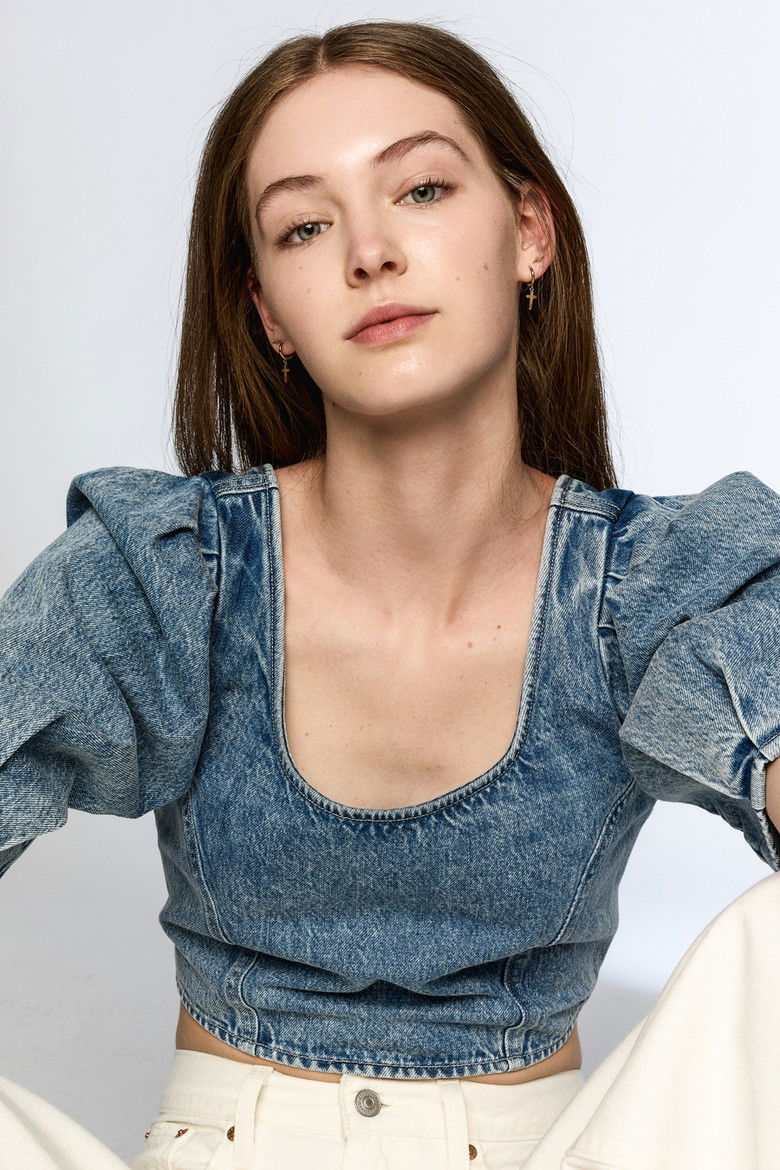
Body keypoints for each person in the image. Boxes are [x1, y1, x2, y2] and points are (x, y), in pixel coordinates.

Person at [2, 18, 780, 1170]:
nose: (369, 252)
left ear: (528, 232)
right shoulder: (167, 572)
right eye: (305, 227)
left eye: (420, 189)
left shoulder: (654, 581)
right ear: (269, 312)